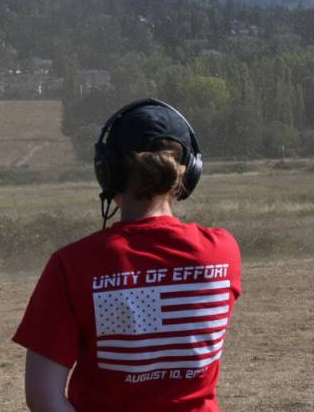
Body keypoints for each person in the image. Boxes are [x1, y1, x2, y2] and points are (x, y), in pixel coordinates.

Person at [12, 99, 241, 411]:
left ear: (107, 170)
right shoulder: (223, 251)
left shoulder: (72, 265)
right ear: (190, 173)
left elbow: (43, 398)